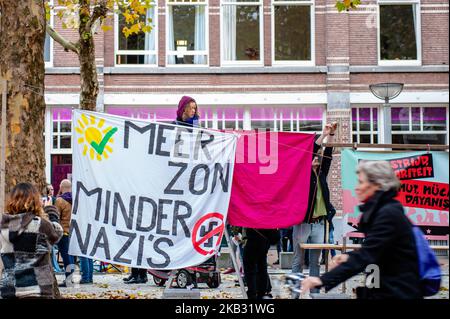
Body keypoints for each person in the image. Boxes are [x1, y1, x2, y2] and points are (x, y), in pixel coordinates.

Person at [302, 161, 423, 299]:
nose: (357, 188)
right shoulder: (381, 211)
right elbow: (377, 251)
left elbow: (367, 255)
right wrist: (349, 256)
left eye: (361, 182)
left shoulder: (388, 214)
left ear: (377, 185)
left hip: (399, 292)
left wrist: (321, 280)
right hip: (388, 289)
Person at [291, 123, 337, 294]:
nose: (317, 157)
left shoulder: (321, 174)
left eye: (318, 156)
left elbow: (329, 155)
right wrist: (323, 135)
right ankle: (294, 293)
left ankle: (314, 294)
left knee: (315, 262)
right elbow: (312, 149)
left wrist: (332, 135)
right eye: (315, 156)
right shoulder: (303, 173)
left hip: (318, 223)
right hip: (302, 222)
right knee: (298, 260)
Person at [0, 183, 63, 298]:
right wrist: (50, 211)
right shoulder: (41, 224)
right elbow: (57, 234)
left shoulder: (4, 226)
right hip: (38, 288)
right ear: (35, 201)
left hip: (10, 289)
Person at [241, 227, 277, 299]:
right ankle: (262, 292)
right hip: (265, 238)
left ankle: (252, 293)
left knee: (250, 269)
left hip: (252, 238)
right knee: (262, 267)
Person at [55, 179, 75, 286]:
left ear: (61, 187)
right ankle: (70, 278)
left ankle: (68, 279)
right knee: (70, 256)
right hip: (73, 231)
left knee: (66, 256)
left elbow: (56, 216)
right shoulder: (75, 199)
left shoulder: (60, 200)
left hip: (63, 231)